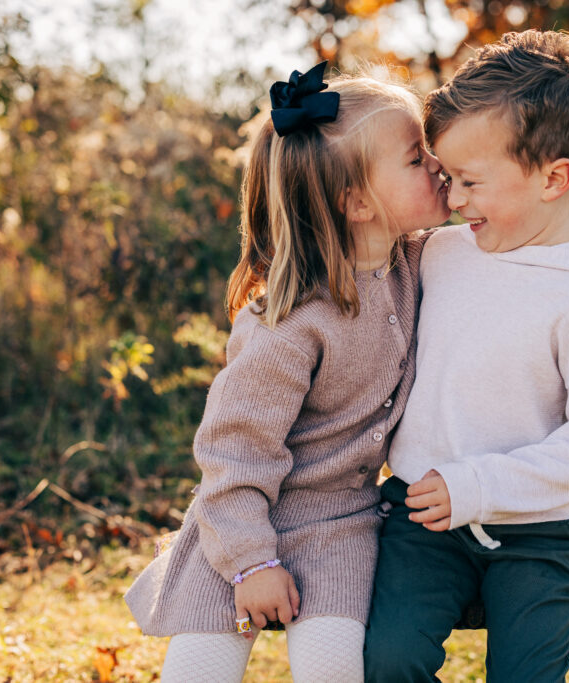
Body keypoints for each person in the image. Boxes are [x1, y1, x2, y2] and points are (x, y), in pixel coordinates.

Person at [124, 61, 450, 683]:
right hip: (244, 519)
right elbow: (235, 449)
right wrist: (250, 563)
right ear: (355, 202)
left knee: (333, 668)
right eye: (416, 158)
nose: (436, 164)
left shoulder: (419, 261)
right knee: (199, 672)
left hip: (341, 525)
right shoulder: (291, 322)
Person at [363, 30, 569, 682]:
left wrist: (481, 486)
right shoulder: (437, 252)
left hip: (537, 531)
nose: (452, 200)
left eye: (469, 182)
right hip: (421, 516)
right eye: (444, 177)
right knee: (387, 659)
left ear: (553, 177)